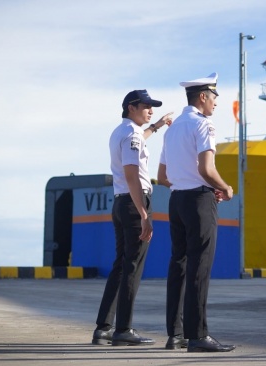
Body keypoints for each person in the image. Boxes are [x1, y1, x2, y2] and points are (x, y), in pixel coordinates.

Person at [157, 72, 235, 353]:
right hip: (199, 202)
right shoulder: (204, 125)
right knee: (199, 266)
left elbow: (162, 175)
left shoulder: (173, 128)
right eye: (214, 97)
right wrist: (224, 188)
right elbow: (207, 169)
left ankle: (175, 334)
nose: (216, 103)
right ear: (203, 97)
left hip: (176, 201)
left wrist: (186, 182)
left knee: (178, 264)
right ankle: (198, 335)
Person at [91, 89, 173, 346]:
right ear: (131, 107)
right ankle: (123, 330)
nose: (151, 110)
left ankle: (104, 328)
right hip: (133, 202)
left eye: (153, 107)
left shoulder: (123, 131)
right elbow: (131, 174)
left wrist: (157, 126)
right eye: (147, 106)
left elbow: (140, 139)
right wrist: (144, 214)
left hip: (121, 202)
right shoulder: (131, 134)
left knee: (121, 265)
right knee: (133, 267)